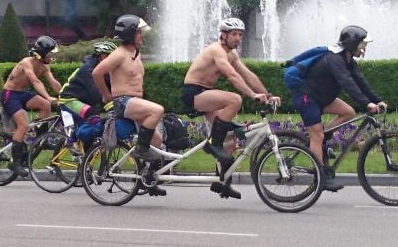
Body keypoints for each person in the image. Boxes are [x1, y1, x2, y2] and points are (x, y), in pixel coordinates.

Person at [290, 25, 387, 191]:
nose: (364, 49)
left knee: (348, 112)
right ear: (351, 44)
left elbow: (360, 81)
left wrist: (377, 100)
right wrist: (367, 104)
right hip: (308, 98)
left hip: (321, 97)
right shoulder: (335, 59)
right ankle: (320, 178)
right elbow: (347, 83)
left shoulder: (347, 58)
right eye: (362, 45)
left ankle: (324, 139)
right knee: (316, 135)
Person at [182, 18, 281, 167]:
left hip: (206, 93)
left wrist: (268, 95)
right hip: (193, 93)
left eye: (240, 35)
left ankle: (222, 182)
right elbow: (232, 76)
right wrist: (253, 95)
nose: (238, 38)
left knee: (230, 138)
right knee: (235, 99)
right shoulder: (216, 50)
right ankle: (213, 144)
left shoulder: (232, 54)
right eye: (234, 34)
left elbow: (249, 76)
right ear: (223, 35)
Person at [92, 14, 166, 196]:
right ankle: (140, 149)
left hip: (134, 102)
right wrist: (107, 95)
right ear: (130, 34)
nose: (142, 36)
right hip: (123, 101)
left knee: (157, 141)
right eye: (139, 32)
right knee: (158, 110)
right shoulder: (119, 54)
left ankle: (148, 180)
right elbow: (97, 73)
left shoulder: (134, 53)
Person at [0, 35, 62, 176]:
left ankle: (41, 140)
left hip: (21, 94)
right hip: (9, 95)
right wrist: (48, 96)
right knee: (23, 125)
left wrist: (64, 95)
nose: (52, 56)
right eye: (50, 53)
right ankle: (14, 163)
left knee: (45, 106)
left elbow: (53, 83)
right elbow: (35, 82)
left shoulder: (44, 66)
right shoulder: (26, 63)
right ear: (41, 54)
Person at [58, 40, 117, 123]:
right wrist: (110, 106)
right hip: (69, 99)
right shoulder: (87, 69)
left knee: (94, 121)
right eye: (111, 56)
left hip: (85, 101)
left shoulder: (104, 69)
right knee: (93, 117)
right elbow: (96, 91)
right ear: (102, 56)